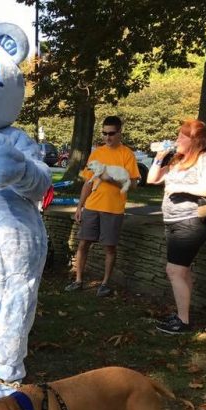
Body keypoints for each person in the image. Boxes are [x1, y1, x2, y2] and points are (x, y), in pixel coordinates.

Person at [146, 119, 206, 335]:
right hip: (172, 222)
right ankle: (184, 315)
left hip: (190, 222)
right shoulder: (177, 159)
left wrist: (181, 187)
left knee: (174, 271)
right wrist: (159, 158)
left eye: (182, 136)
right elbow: (152, 179)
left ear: (195, 140)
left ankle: (183, 322)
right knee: (183, 271)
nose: (176, 139)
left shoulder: (205, 159)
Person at [66, 116, 140, 297]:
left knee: (109, 247)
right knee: (83, 243)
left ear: (119, 132)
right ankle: (78, 280)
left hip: (113, 208)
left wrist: (112, 180)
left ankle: (105, 283)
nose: (108, 137)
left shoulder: (126, 154)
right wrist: (79, 206)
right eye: (105, 133)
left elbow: (134, 185)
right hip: (92, 206)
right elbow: (87, 182)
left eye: (112, 133)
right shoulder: (97, 153)